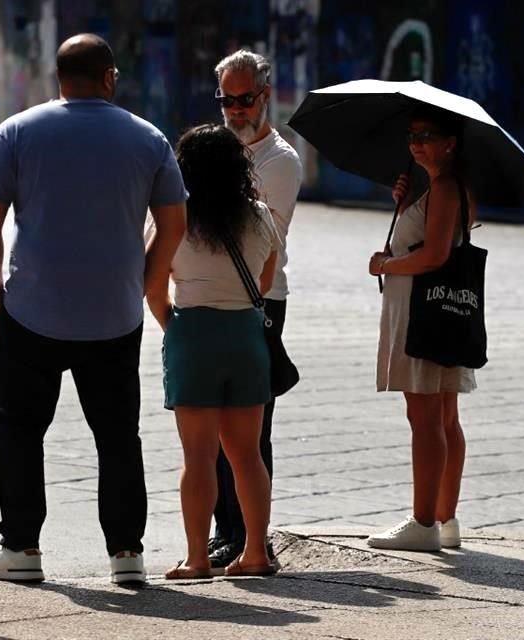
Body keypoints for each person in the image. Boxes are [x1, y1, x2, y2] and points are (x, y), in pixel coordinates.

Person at [0, 33, 187, 584]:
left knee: (20, 430)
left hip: (31, 310)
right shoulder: (148, 138)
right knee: (118, 436)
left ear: (57, 77)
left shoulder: (17, 131)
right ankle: (127, 554)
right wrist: (147, 279)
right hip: (114, 314)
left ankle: (21, 548)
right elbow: (174, 222)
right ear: (110, 77)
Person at [154, 123, 280, 579]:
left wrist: (175, 325)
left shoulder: (174, 217)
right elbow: (265, 281)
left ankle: (197, 558)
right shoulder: (260, 215)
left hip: (193, 333)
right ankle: (255, 552)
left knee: (199, 456)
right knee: (247, 455)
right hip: (246, 335)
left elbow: (153, 285)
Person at [366, 105, 476, 552]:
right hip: (439, 313)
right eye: (412, 136)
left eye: (427, 136)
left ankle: (424, 521)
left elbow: (433, 256)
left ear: (450, 143)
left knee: (425, 416)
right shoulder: (442, 187)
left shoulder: (446, 187)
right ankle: (444, 518)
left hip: (422, 313)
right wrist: (409, 202)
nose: (416, 144)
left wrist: (385, 264)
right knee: (445, 415)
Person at [208, 49, 302, 569]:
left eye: (244, 99)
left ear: (264, 97)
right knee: (212, 424)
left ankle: (251, 536)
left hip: (261, 299)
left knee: (250, 427)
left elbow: (265, 237)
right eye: (226, 100)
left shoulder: (280, 160)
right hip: (214, 297)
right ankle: (226, 528)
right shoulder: (217, 149)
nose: (235, 110)